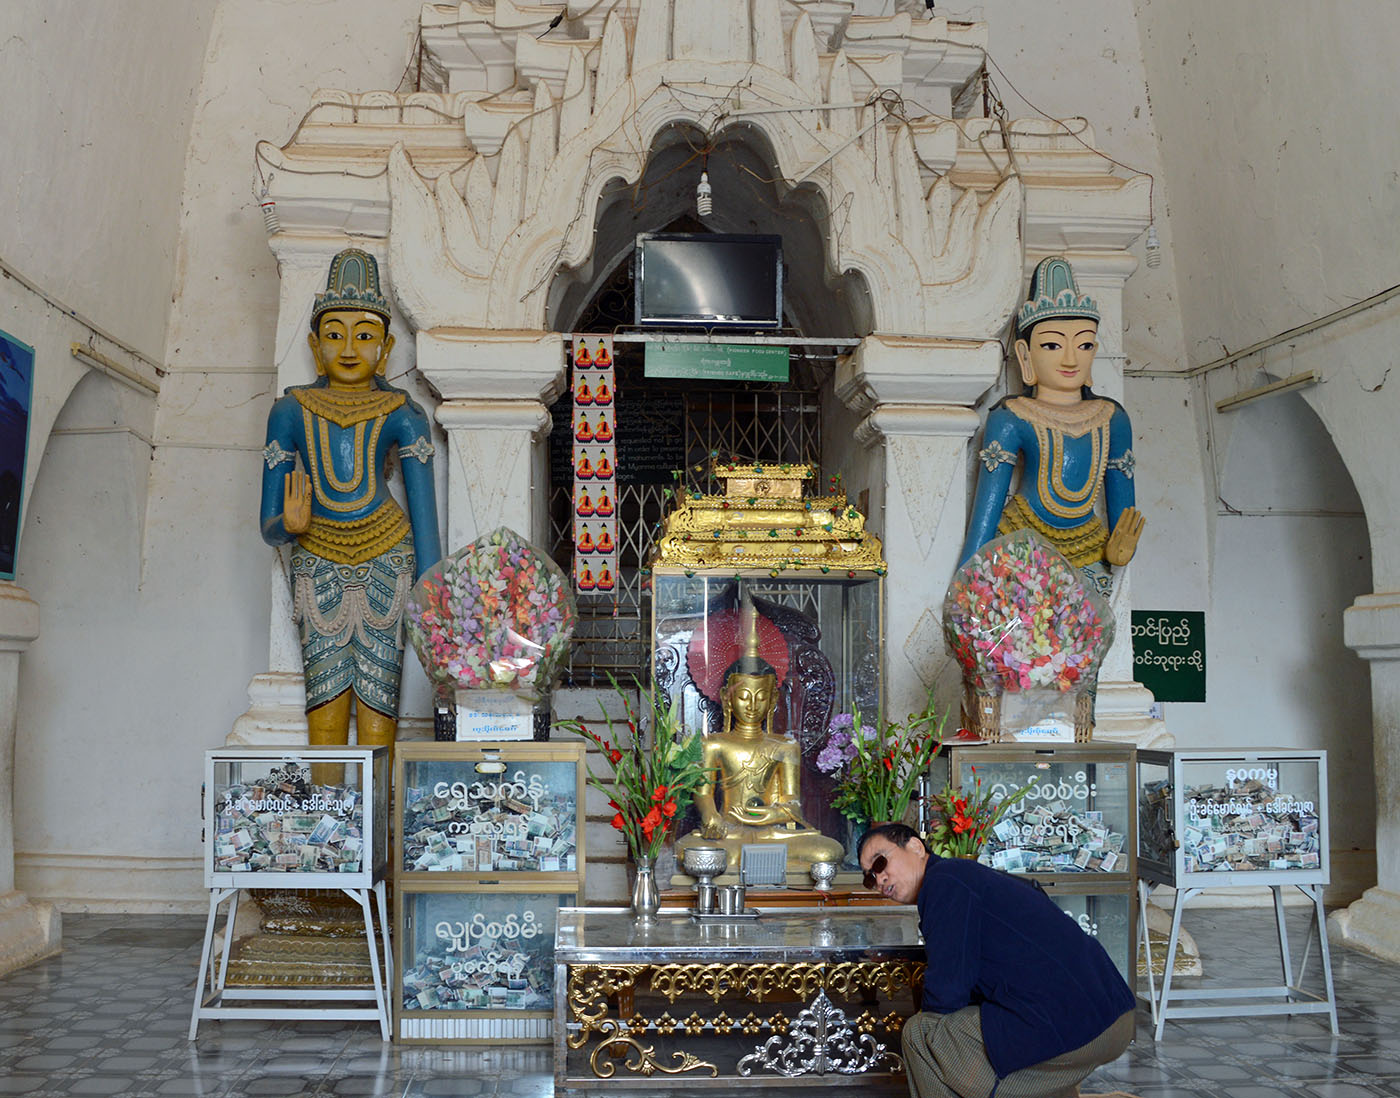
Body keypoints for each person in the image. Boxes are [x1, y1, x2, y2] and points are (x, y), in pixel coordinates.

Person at [260, 248, 440, 771]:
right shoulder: (288, 411)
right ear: (315, 346)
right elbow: (269, 523)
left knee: (380, 703)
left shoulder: (404, 413)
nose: (347, 348)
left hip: (388, 555)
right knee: (325, 700)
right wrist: (287, 524)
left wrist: (434, 597)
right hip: (316, 557)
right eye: (334, 334)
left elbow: (425, 523)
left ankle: (378, 820)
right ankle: (329, 816)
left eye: (364, 336)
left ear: (385, 350)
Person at [858, 823, 1135, 1098]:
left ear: (916, 846)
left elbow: (947, 992)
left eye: (880, 863)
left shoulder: (944, 881)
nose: (879, 880)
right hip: (1111, 1014)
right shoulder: (964, 875)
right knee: (973, 1035)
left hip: (1081, 1026)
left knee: (922, 1034)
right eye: (869, 878)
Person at [960, 257, 1144, 592]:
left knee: (1083, 623)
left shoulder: (1112, 418)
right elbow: (985, 512)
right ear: (1025, 354)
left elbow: (1125, 518)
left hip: (1089, 552)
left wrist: (1120, 553)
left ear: (1094, 352)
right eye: (1052, 345)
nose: (1071, 359)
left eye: (1084, 345)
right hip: (1021, 545)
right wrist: (965, 582)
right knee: (1018, 623)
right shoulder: (1012, 416)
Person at [676, 600, 844, 871]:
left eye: (761, 696)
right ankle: (763, 862)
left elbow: (792, 804)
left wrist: (770, 814)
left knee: (827, 851)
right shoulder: (714, 744)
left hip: (772, 832)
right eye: (743, 696)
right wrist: (711, 817)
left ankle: (758, 861)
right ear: (726, 698)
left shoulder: (785, 746)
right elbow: (703, 794)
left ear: (773, 699)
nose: (752, 705)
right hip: (729, 832)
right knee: (696, 851)